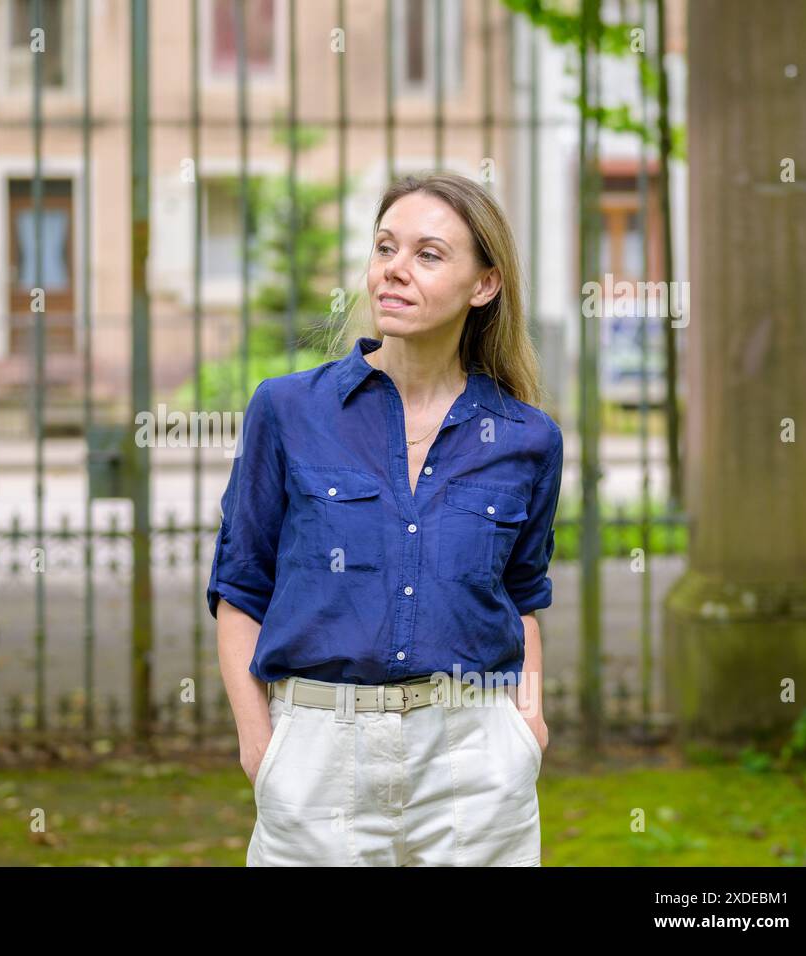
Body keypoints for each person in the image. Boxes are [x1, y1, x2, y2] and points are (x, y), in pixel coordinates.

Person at [208, 172, 563, 866]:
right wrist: (263, 748)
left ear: (483, 284)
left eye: (428, 254)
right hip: (318, 760)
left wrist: (527, 723)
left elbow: (522, 595)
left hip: (474, 761)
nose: (395, 270)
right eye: (384, 248)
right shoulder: (287, 411)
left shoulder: (527, 438)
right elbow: (240, 590)